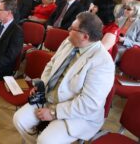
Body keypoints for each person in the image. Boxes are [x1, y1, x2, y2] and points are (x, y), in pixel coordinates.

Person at [13, 12, 115, 144]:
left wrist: (54, 112)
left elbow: (89, 103)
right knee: (19, 119)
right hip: (50, 97)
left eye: (72, 29)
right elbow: (51, 65)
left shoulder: (103, 62)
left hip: (77, 113)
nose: (68, 30)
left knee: (46, 141)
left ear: (85, 36)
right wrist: (42, 86)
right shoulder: (69, 42)